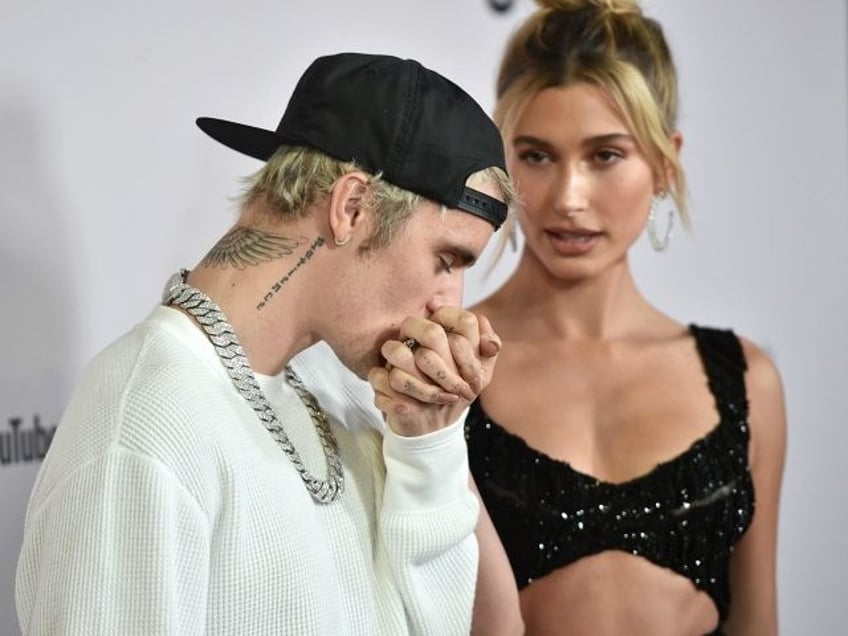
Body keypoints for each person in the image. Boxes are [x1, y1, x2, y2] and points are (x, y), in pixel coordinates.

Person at [15, 52, 517, 635]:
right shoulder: (141, 425)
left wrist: (428, 449)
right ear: (350, 207)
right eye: (446, 259)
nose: (448, 302)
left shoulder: (349, 391)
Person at [464, 1, 788, 634]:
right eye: (536, 156)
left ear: (665, 162)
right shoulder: (449, 364)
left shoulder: (746, 380)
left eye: (605, 156)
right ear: (502, 164)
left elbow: (758, 622)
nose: (568, 198)